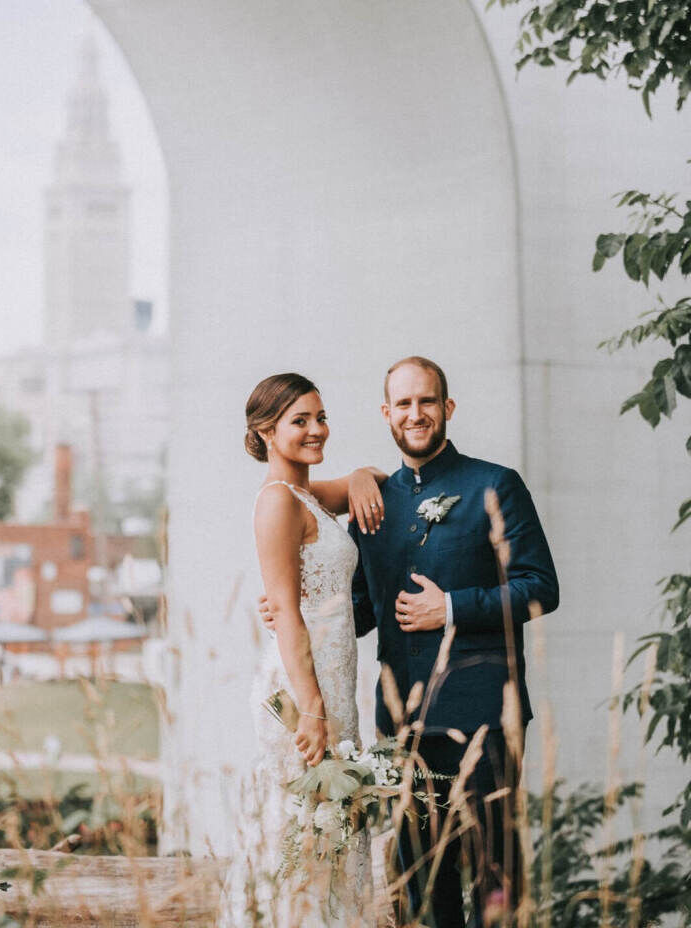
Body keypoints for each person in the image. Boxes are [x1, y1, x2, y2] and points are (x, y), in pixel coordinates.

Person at [351, 356, 560, 928]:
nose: (414, 414)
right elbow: (360, 613)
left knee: (497, 882)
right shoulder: (371, 504)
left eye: (426, 401)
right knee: (418, 889)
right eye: (403, 404)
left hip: (485, 718)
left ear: (447, 407)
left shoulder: (495, 484)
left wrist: (450, 608)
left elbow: (540, 587)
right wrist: (293, 610)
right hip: (403, 729)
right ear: (386, 413)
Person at [220, 372, 386, 928]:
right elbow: (286, 612)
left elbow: (376, 481)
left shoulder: (304, 496)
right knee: (300, 832)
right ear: (266, 431)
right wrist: (312, 709)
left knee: (333, 829)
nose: (317, 430)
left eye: (321, 417)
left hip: (332, 686)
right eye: (300, 421)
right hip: (301, 692)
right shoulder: (276, 504)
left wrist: (361, 474)